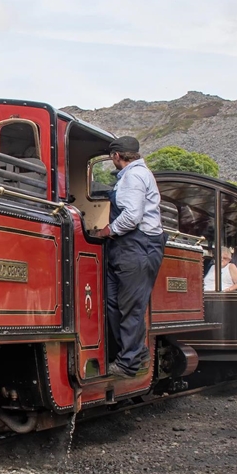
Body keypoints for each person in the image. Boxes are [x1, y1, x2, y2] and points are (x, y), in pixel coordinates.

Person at [90, 136, 168, 378]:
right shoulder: (136, 175)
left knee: (130, 306)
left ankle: (128, 363)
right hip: (131, 247)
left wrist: (106, 231)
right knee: (115, 303)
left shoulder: (133, 177)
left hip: (137, 245)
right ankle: (135, 351)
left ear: (116, 156)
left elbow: (132, 216)